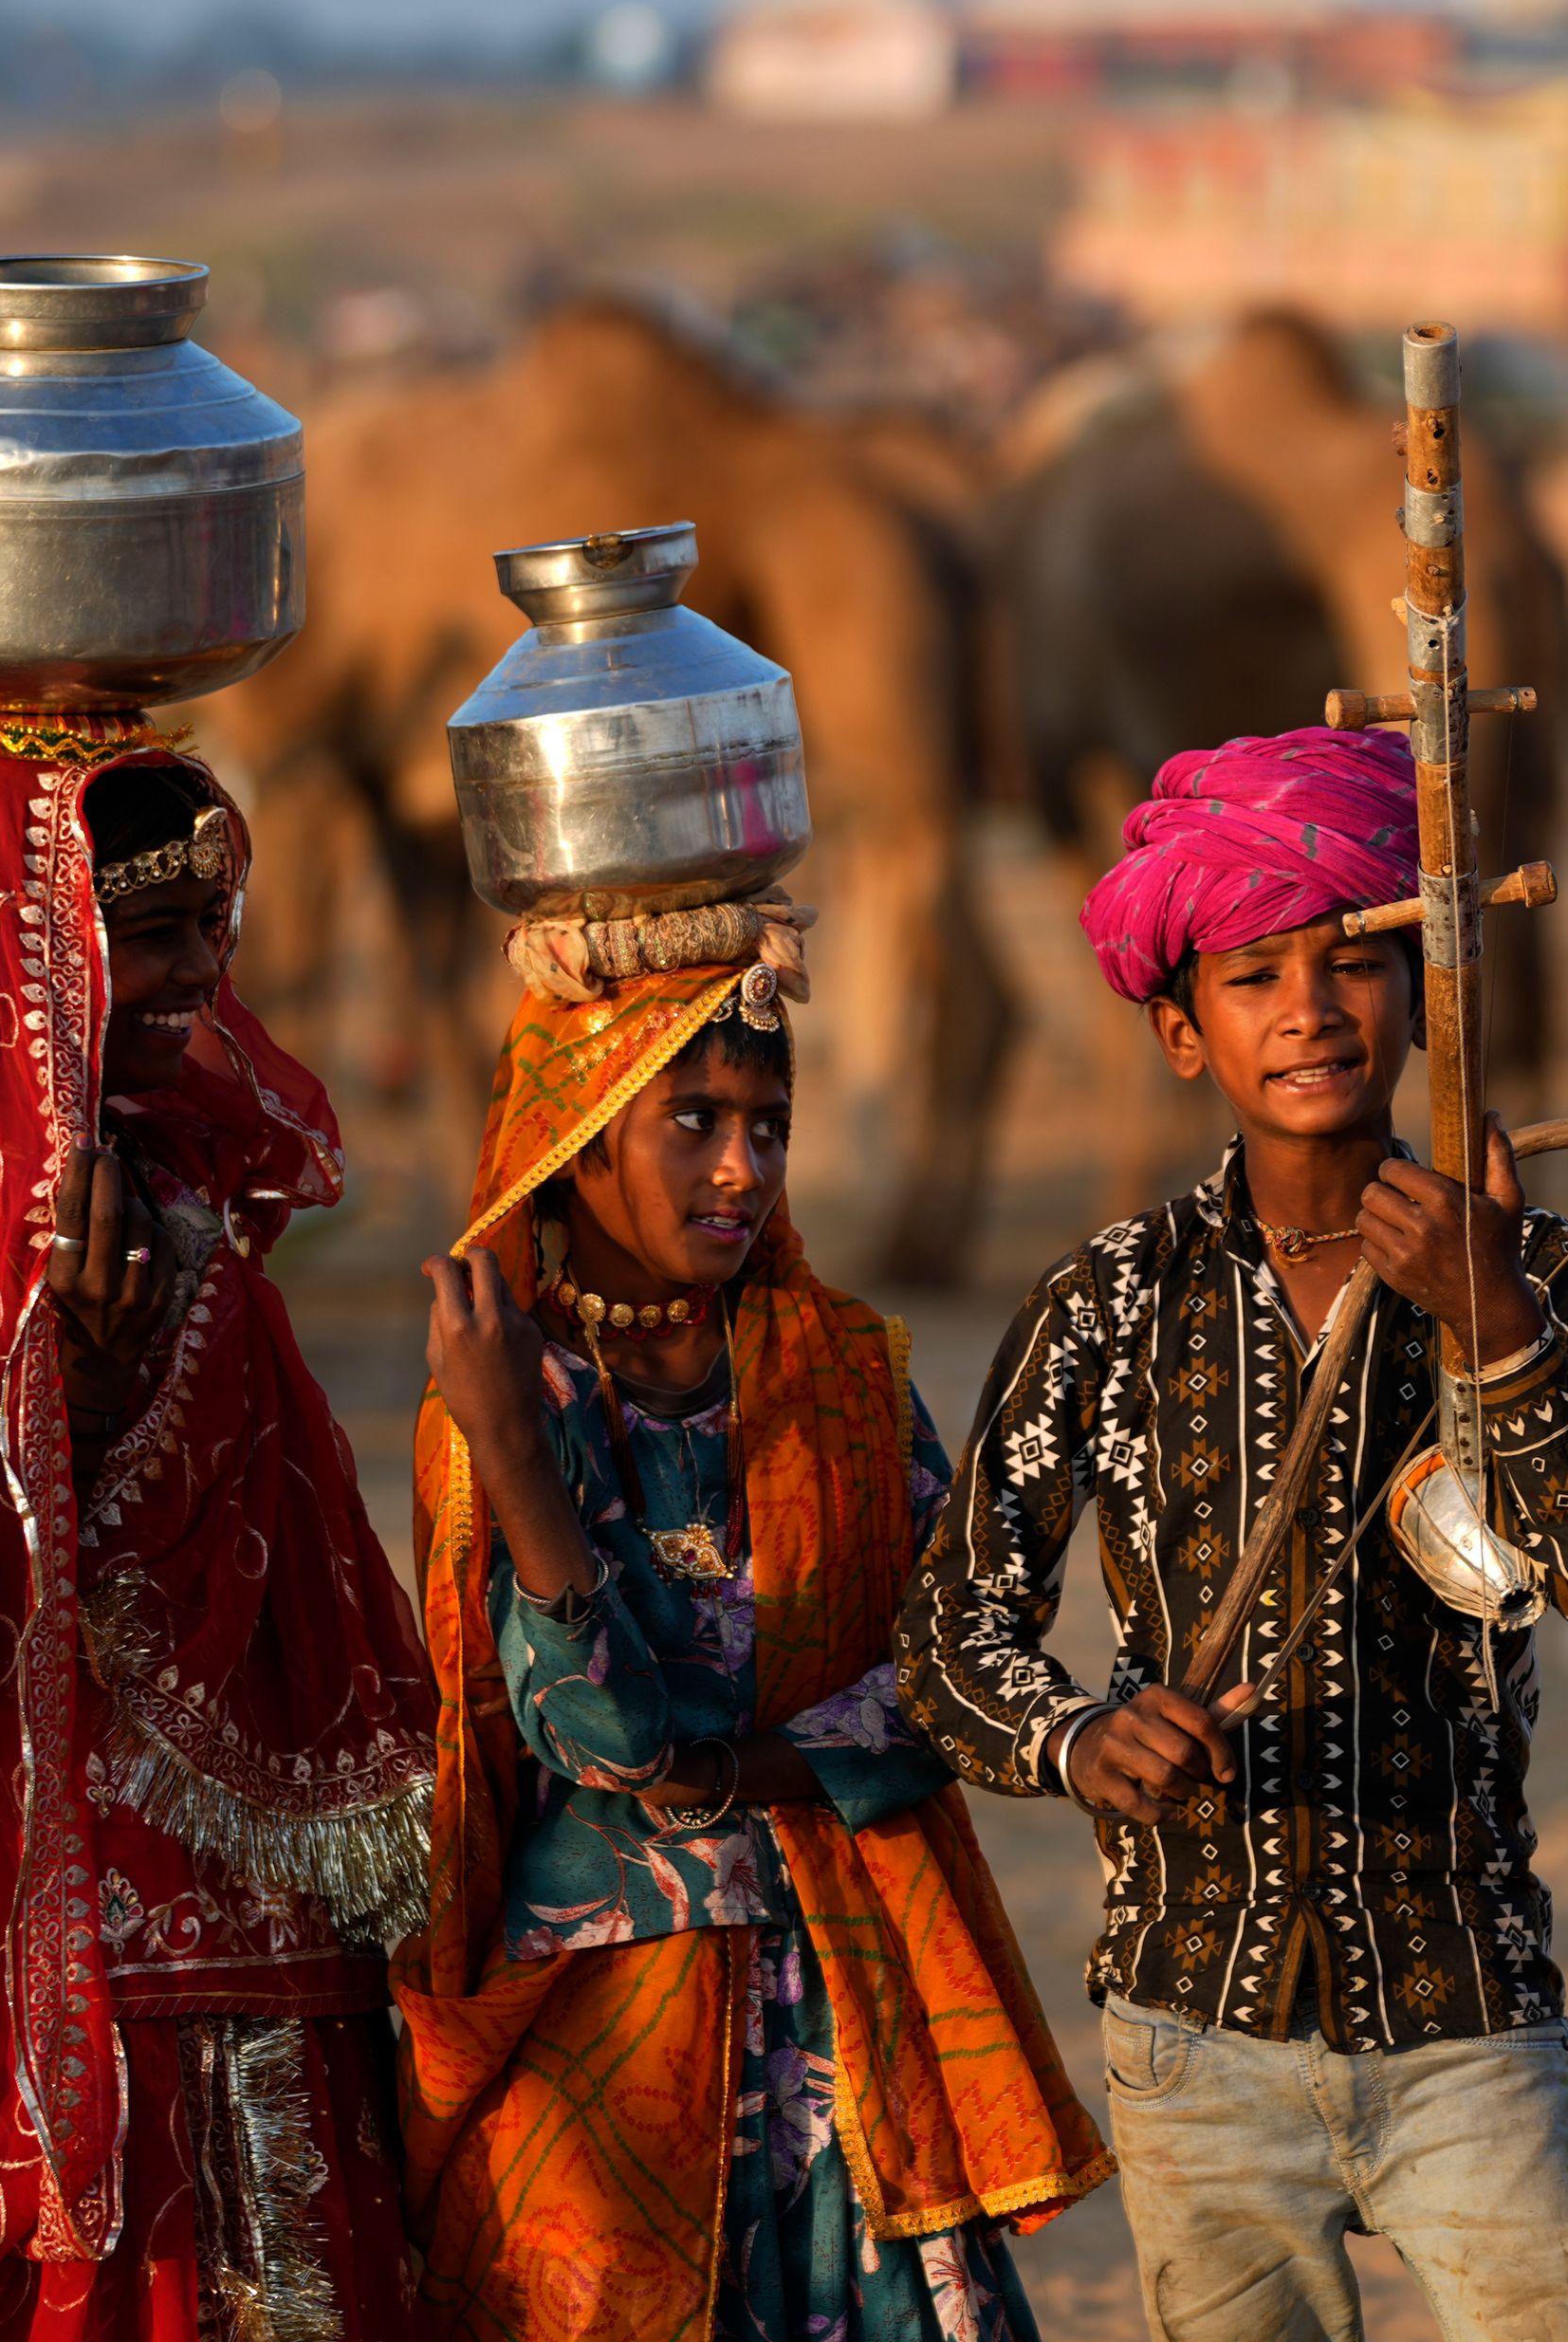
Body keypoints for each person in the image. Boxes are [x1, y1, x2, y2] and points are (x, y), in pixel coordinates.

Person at [895, 726, 1568, 2342]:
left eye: (1351, 961)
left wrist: (1495, 1324)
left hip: (1467, 1996)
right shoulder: (1110, 1302)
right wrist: (1081, 1738)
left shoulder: (1523, 1268)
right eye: (1256, 976)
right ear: (1184, 1033)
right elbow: (948, 1633)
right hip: (1195, 2020)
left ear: (1418, 996)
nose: (1313, 1009)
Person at [0, 724, 436, 2342]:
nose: (204, 969)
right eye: (155, 929)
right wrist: (62, 1372)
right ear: (31, 944)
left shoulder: (170, 1178)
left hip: (255, 1893)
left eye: (218, 927)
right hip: (70, 1879)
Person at [400, 917, 1109, 2342]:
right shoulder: (495, 1397)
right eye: (695, 1121)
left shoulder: (838, 1365)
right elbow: (601, 1738)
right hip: (609, 2018)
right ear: (581, 1131)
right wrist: (518, 1460)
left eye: (770, 1126)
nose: (744, 1166)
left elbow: (951, 1676)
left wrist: (738, 1778)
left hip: (844, 1995)